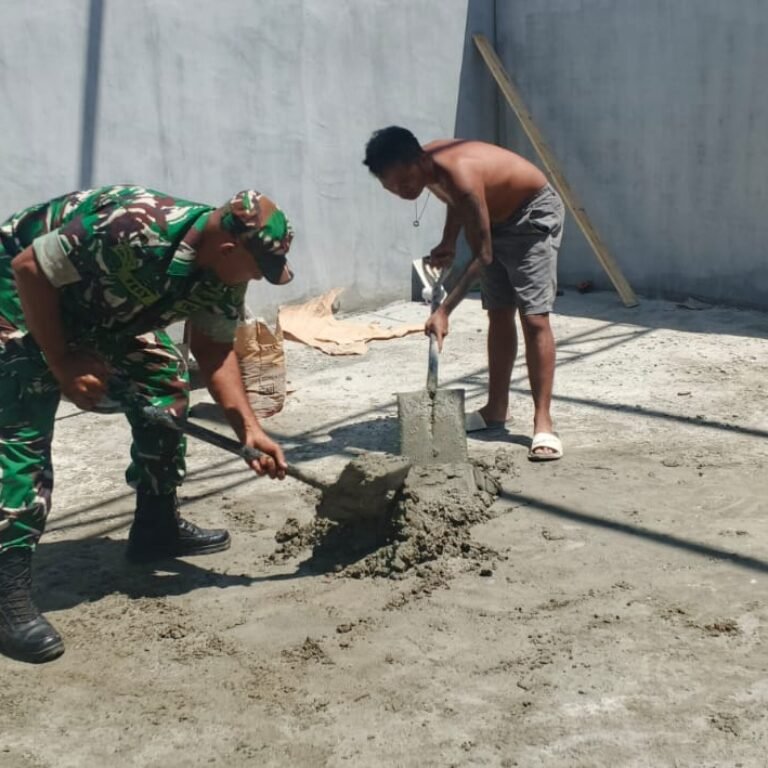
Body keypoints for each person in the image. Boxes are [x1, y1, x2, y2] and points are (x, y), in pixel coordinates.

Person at [0, 185, 294, 664]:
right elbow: (29, 268)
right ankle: (7, 594)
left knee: (165, 380)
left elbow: (213, 349)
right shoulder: (135, 228)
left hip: (90, 304)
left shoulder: (222, 270)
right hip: (15, 293)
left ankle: (156, 526)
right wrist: (62, 360)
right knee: (21, 428)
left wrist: (249, 429)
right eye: (258, 267)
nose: (258, 277)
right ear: (228, 248)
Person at [363, 126, 565, 461]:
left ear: (419, 161)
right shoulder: (427, 168)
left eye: (405, 182)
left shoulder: (460, 172)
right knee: (498, 312)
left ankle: (543, 422)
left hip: (531, 215)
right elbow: (456, 201)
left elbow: (483, 254)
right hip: (494, 218)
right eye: (392, 188)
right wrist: (448, 241)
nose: (402, 191)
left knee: (534, 317)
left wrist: (443, 311)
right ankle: (496, 409)